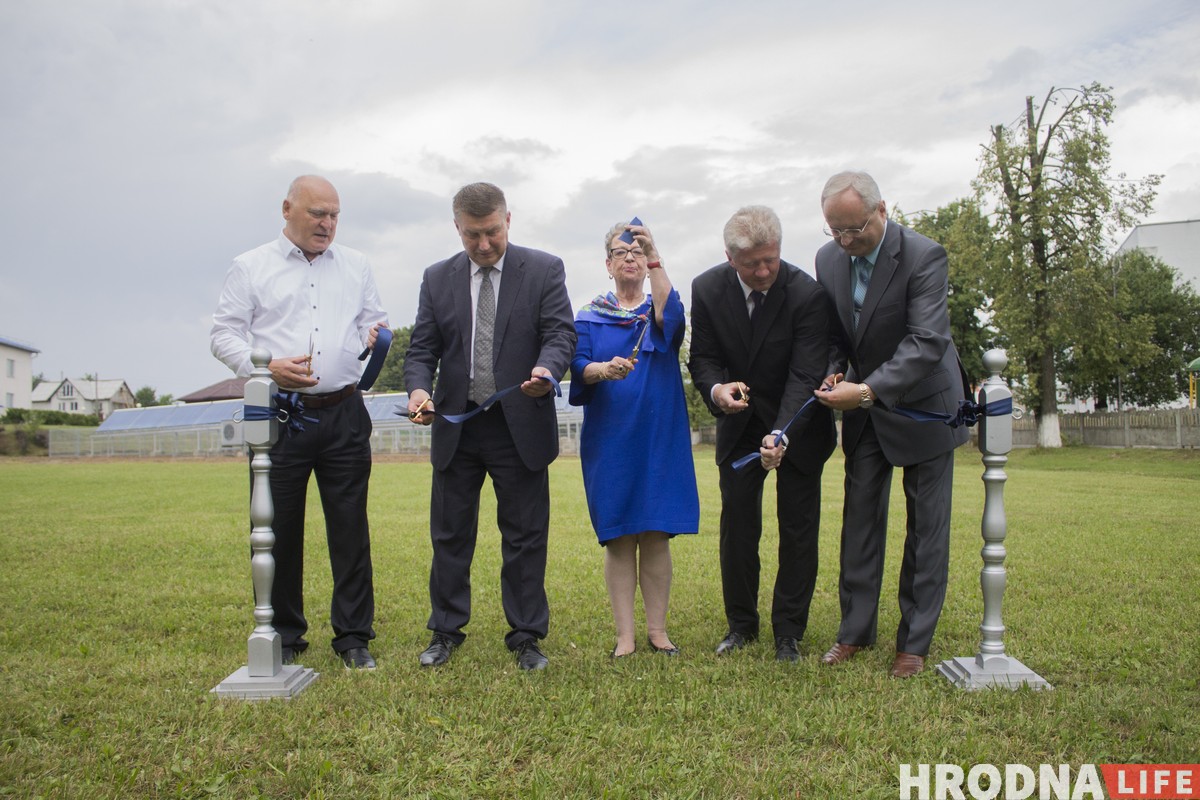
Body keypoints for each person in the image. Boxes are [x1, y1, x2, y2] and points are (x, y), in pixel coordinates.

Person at [210, 175, 388, 670]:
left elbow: (369, 322)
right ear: (287, 208)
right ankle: (285, 635)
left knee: (350, 527)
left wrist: (373, 336)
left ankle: (354, 637)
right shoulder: (250, 267)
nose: (327, 224)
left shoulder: (356, 265)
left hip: (345, 413)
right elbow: (223, 335)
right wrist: (261, 366)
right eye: (317, 214)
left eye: (334, 216)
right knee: (277, 527)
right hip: (280, 415)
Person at [404, 182, 576, 671]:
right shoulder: (437, 278)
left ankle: (525, 636)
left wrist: (547, 369)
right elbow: (421, 350)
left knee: (524, 535)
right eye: (472, 235)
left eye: (492, 232)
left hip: (518, 421)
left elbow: (560, 332)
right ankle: (445, 630)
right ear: (457, 228)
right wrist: (419, 391)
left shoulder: (543, 269)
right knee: (450, 534)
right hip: (457, 425)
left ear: (508, 220)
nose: (483, 245)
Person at [814, 170, 970, 678]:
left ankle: (914, 644)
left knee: (926, 529)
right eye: (834, 231)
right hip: (862, 409)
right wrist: (836, 369)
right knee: (859, 523)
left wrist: (868, 389)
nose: (844, 241)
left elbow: (927, 342)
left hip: (922, 404)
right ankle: (853, 633)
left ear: (882, 211)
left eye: (854, 229)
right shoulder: (828, 259)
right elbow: (839, 332)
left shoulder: (925, 256)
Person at [688, 206, 836, 662]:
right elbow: (704, 358)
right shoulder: (707, 289)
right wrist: (717, 388)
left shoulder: (808, 294)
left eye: (771, 258)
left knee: (797, 528)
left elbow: (805, 373)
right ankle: (741, 627)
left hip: (798, 424)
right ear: (731, 257)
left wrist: (781, 434)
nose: (765, 269)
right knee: (738, 528)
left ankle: (788, 632)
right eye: (753, 262)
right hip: (738, 427)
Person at [569, 220, 700, 658]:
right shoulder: (588, 316)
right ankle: (625, 637)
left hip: (659, 434)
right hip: (611, 438)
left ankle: (658, 631)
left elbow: (674, 322)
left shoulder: (658, 307)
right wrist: (603, 370)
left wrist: (655, 253)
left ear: (648, 262)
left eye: (638, 251)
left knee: (656, 533)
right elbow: (579, 367)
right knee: (621, 535)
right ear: (607, 264)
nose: (630, 257)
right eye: (621, 251)